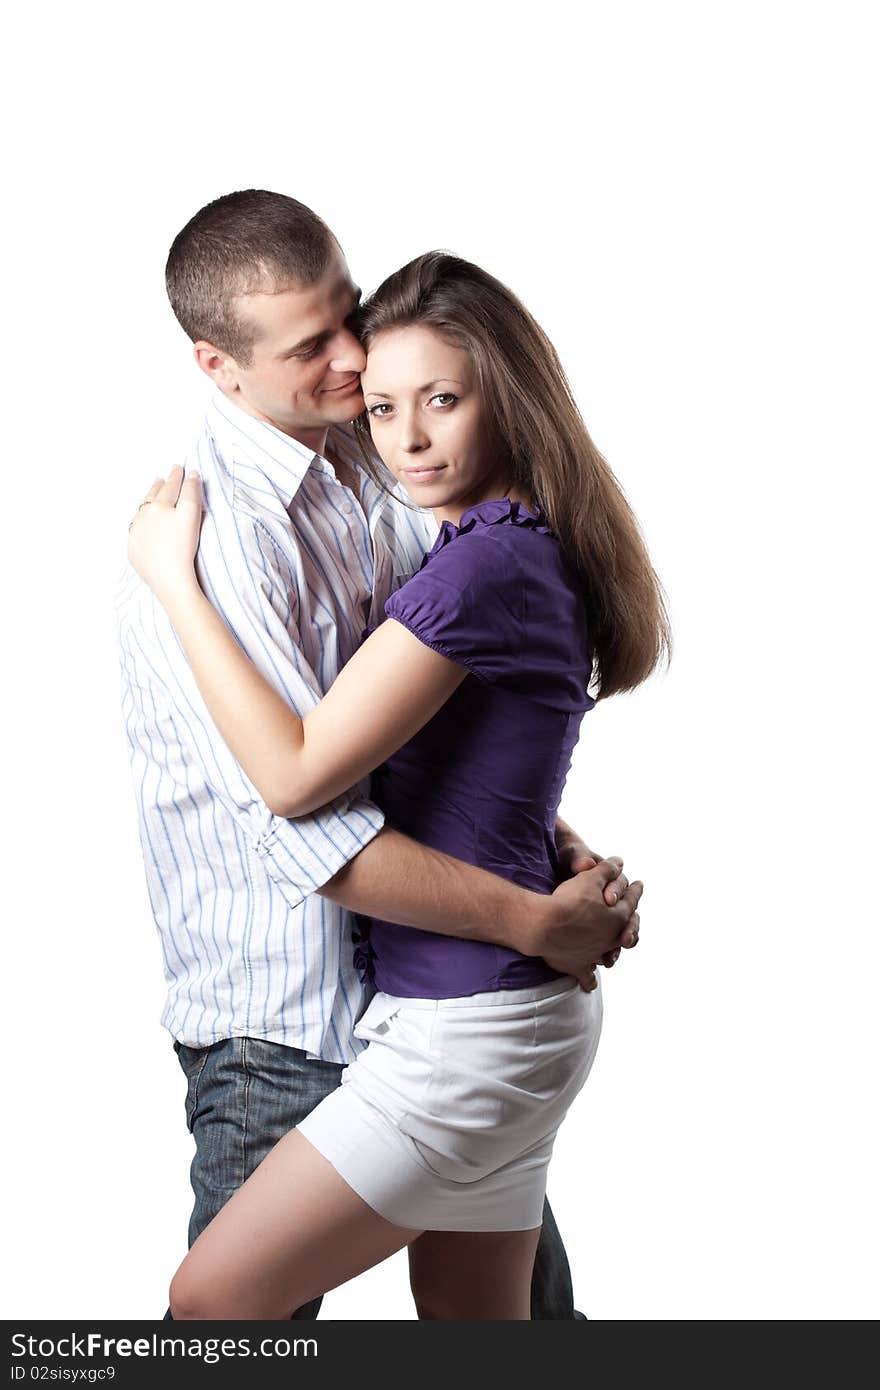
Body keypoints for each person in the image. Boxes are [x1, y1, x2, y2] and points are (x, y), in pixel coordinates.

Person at [126, 242, 668, 1319]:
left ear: (501, 396)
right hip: (486, 1016)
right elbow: (463, 753)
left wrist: (169, 580)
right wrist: (552, 850)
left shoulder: (475, 560)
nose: (403, 432)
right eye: (382, 404)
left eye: (441, 400)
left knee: (208, 1307)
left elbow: (292, 779)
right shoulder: (470, 531)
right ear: (218, 364)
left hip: (468, 1026)